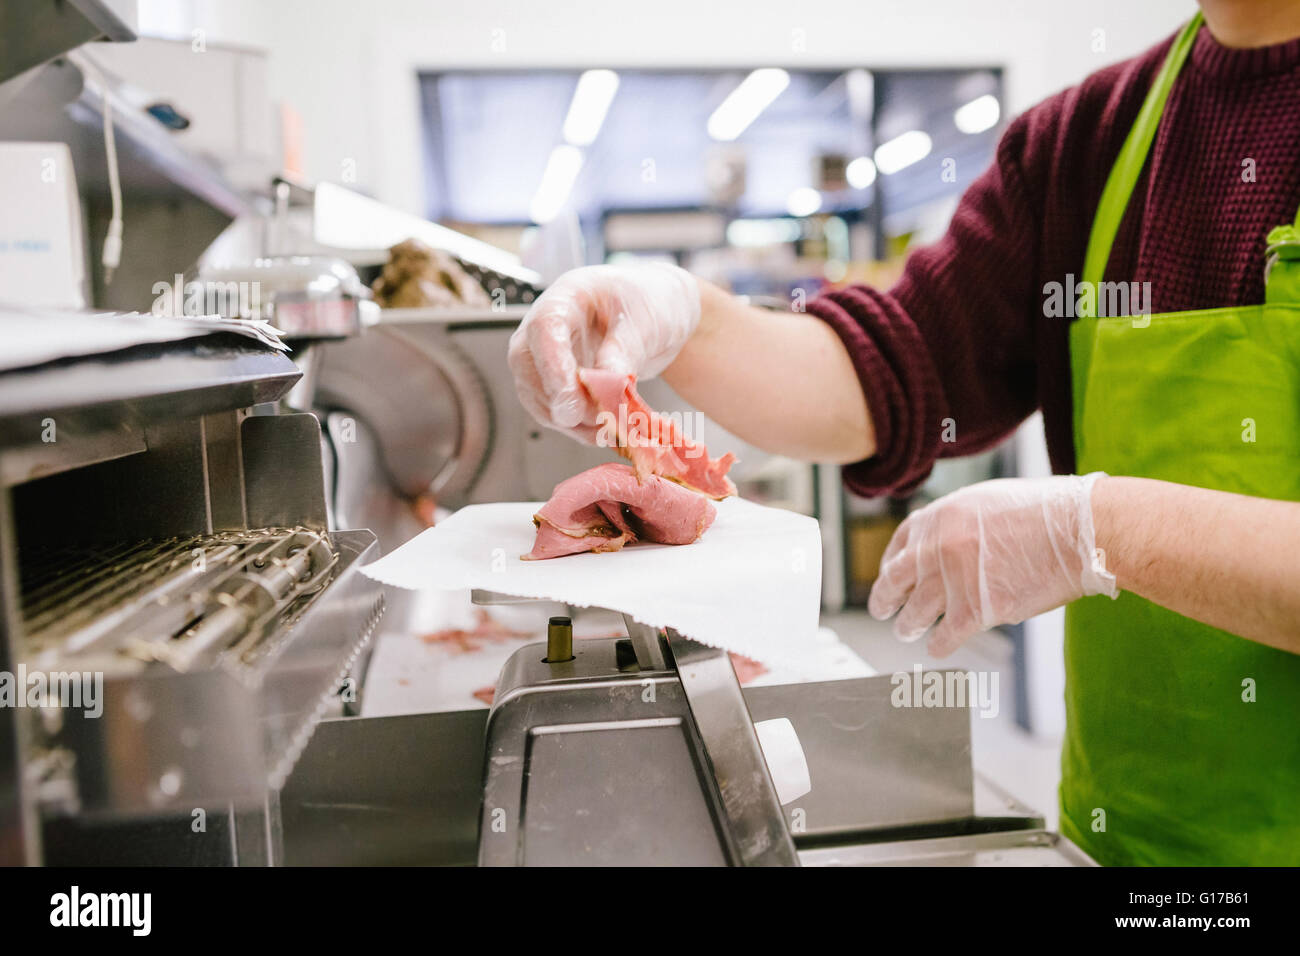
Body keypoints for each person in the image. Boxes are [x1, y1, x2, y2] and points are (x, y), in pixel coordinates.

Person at [507, 1, 1300, 866]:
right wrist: (684, 319)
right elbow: (889, 366)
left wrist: (1103, 533)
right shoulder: (1089, 140)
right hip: (1134, 842)